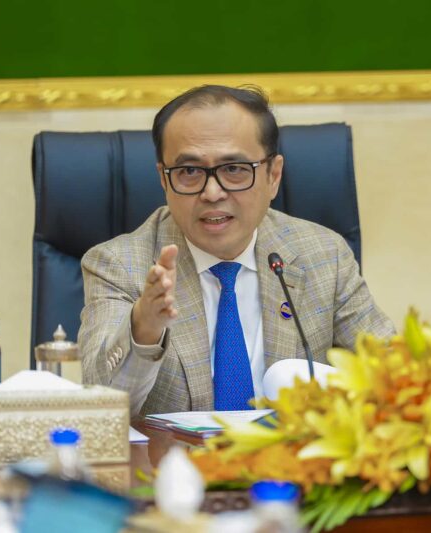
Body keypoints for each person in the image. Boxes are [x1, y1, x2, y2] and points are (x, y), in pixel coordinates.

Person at [79, 85, 395, 416]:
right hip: (172, 452)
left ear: (273, 176)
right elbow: (101, 406)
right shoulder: (118, 266)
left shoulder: (324, 255)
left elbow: (393, 374)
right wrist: (143, 329)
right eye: (189, 172)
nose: (212, 192)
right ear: (164, 179)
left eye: (234, 169)